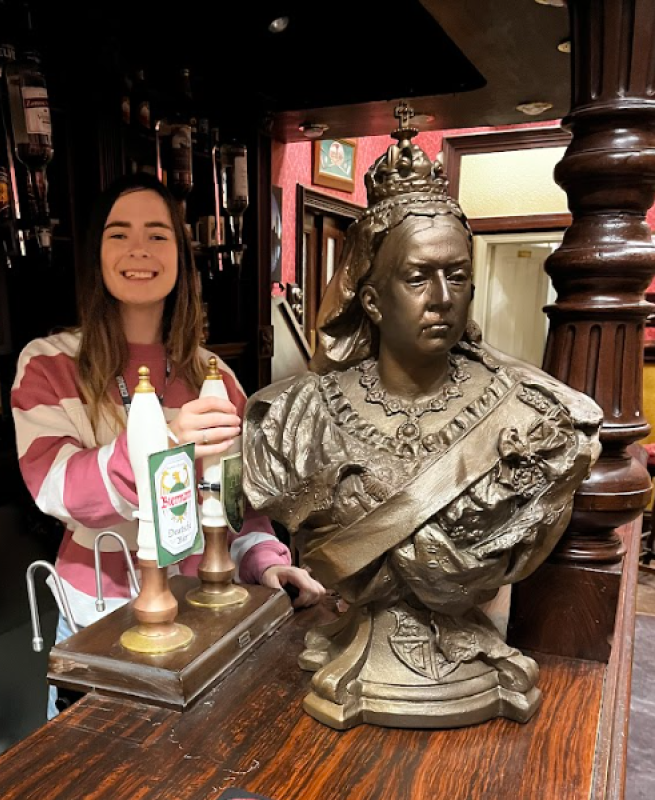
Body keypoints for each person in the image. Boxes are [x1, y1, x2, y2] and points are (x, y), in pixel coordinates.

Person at [243, 129, 602, 729]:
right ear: (375, 301)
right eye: (417, 277)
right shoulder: (293, 417)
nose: (442, 298)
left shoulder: (541, 416)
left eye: (457, 276)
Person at [11, 172, 325, 719]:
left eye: (158, 235)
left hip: (203, 623)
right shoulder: (49, 364)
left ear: (181, 256)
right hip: (98, 624)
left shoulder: (214, 375)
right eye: (119, 234)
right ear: (96, 254)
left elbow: (236, 504)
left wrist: (267, 563)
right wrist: (166, 442)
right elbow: (56, 488)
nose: (139, 249)